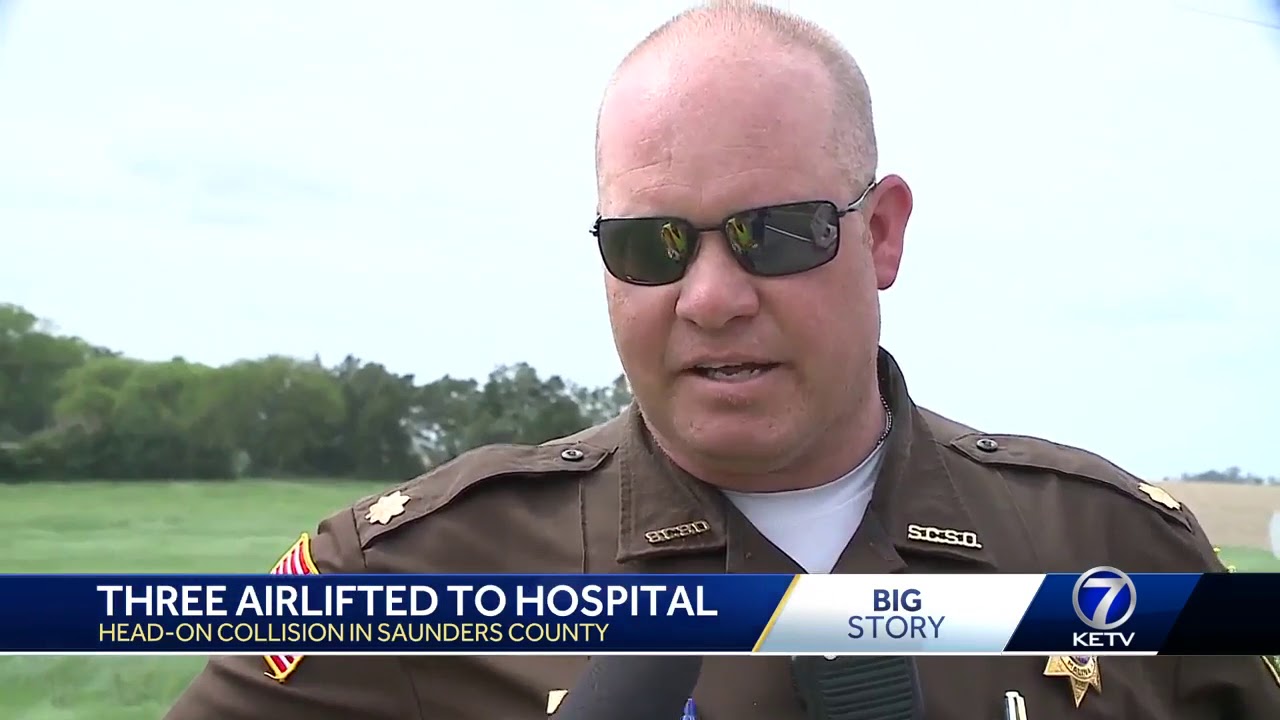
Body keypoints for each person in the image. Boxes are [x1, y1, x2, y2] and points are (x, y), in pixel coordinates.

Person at [164, 2, 1280, 718]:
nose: (708, 298)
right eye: (650, 246)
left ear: (882, 235)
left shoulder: (1122, 554)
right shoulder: (406, 579)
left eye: (774, 234)